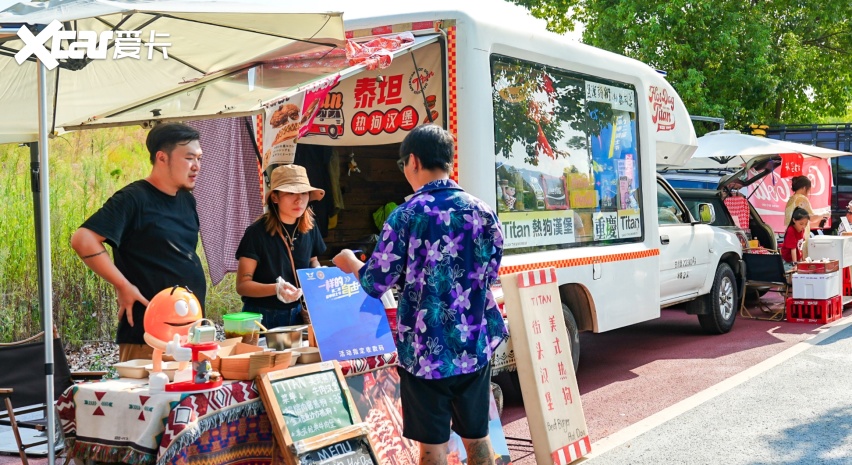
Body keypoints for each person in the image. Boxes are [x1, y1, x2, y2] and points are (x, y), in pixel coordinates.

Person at [333, 125, 506, 465]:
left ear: (412, 161)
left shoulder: (406, 216)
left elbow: (375, 283)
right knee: (478, 437)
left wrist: (353, 262)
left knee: (432, 447)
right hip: (474, 344)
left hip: (425, 350)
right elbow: (491, 272)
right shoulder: (483, 212)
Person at [70, 123, 206, 362]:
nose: (196, 166)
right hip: (148, 339)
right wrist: (123, 285)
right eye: (189, 158)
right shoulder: (134, 198)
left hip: (189, 335)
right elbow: (83, 239)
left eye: (199, 158)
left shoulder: (187, 200)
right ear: (162, 158)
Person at [235, 164, 326, 329]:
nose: (299, 200)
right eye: (291, 193)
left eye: (303, 193)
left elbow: (313, 261)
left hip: (299, 313)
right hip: (261, 316)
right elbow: (242, 285)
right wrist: (276, 289)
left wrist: (318, 275)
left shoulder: (310, 227)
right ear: (275, 198)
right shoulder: (256, 232)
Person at [781, 207, 810, 272]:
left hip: (796, 260)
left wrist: (802, 260)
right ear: (794, 220)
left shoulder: (802, 230)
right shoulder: (791, 230)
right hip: (788, 261)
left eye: (806, 224)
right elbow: (793, 249)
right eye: (801, 224)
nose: (803, 226)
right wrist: (795, 264)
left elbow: (800, 246)